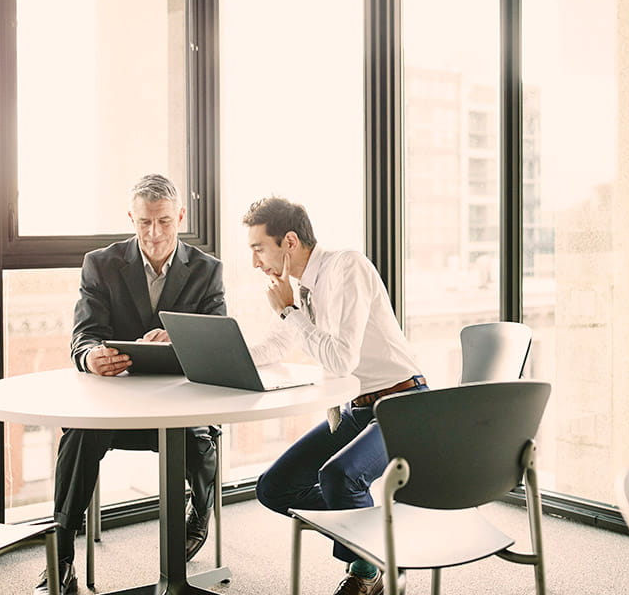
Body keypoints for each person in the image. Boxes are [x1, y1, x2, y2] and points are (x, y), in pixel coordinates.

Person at [34, 174, 226, 595]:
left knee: (198, 438)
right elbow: (83, 334)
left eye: (163, 222)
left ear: (180, 217)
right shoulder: (100, 263)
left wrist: (179, 338)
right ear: (131, 219)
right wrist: (90, 357)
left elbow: (218, 340)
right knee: (79, 433)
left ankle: (200, 513)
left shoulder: (207, 270)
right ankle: (60, 554)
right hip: (116, 409)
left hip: (179, 406)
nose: (154, 234)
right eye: (143, 223)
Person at [244, 197, 425, 595]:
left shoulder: (348, 267)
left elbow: (342, 360)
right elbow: (277, 344)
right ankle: (376, 531)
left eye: (259, 248)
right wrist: (227, 356)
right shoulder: (301, 289)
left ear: (289, 241)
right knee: (274, 488)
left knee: (339, 477)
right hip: (357, 409)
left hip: (404, 404)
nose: (256, 262)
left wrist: (290, 311)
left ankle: (369, 571)